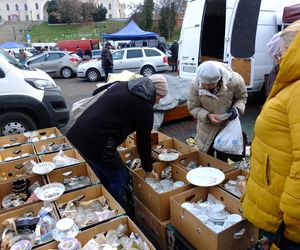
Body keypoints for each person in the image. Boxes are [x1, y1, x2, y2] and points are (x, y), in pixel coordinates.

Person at [66, 74, 168, 206]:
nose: (158, 101)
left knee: (102, 172)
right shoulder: (144, 106)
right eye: (159, 97)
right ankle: (116, 209)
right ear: (154, 91)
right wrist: (148, 169)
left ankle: (104, 198)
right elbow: (143, 141)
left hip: (79, 132)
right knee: (120, 176)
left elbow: (96, 92)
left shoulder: (122, 84)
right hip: (98, 143)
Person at [242, 21, 300, 250]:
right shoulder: (290, 84)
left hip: (288, 226)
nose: (278, 58)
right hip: (280, 213)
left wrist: (291, 226)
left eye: (281, 52)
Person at [187, 61, 248, 162]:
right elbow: (193, 107)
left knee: (225, 160)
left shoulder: (235, 80)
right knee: (206, 158)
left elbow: (242, 97)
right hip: (206, 130)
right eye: (204, 84)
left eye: (210, 85)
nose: (206, 87)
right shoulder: (195, 84)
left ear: (220, 80)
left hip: (227, 128)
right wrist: (208, 116)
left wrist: (236, 109)